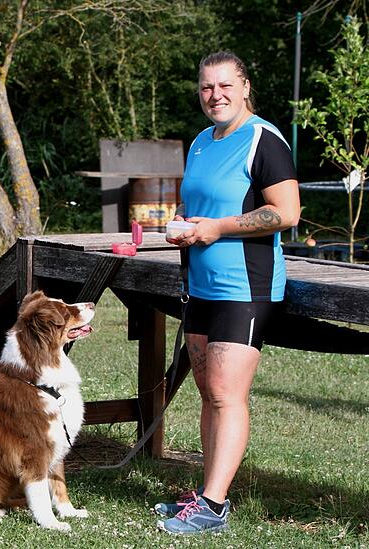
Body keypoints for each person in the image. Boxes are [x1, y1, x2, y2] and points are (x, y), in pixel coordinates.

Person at [157, 51, 300, 535]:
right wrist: (185, 225)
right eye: (205, 88)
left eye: (224, 86)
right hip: (201, 285)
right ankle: (203, 494)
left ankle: (214, 506)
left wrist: (217, 227)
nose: (214, 96)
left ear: (244, 87)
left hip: (246, 287)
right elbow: (200, 202)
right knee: (207, 393)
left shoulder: (264, 140)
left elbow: (286, 213)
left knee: (225, 393)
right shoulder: (201, 140)